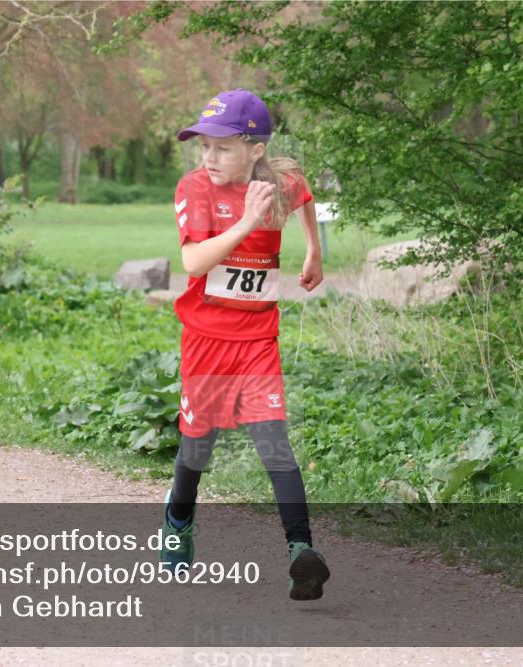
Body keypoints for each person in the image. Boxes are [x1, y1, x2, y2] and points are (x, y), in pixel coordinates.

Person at [160, 89, 330, 600]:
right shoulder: (195, 188)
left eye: (222, 148)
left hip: (257, 339)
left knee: (274, 442)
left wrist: (314, 251)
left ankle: (300, 550)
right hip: (208, 341)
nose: (208, 158)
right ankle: (178, 520)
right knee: (198, 447)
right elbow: (193, 263)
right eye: (203, 147)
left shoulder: (279, 180)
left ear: (255, 149)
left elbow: (304, 195)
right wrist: (248, 222)